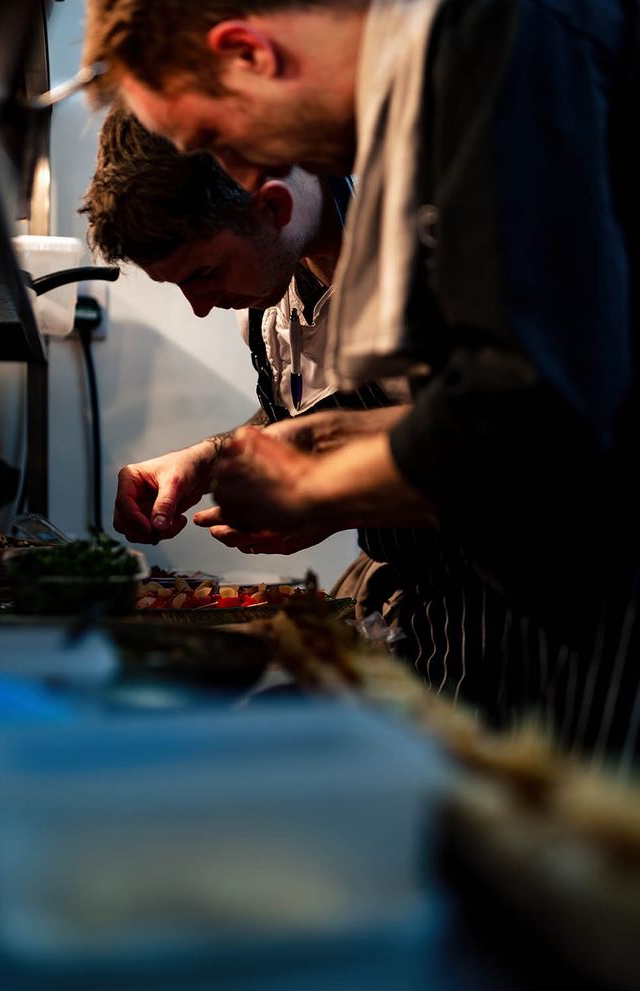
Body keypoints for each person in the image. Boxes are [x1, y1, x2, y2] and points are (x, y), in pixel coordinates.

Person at [81, 1, 640, 765]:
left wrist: (317, 487)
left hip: (591, 598)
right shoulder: (425, 108)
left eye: (216, 140)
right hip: (488, 609)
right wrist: (229, 455)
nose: (252, 178)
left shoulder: (495, 39)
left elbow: (528, 413)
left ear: (250, 51)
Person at [80, 105, 411, 628]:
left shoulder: (426, 252)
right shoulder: (270, 301)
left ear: (274, 206)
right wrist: (207, 460)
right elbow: (306, 418)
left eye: (206, 272)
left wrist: (331, 500)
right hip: (414, 601)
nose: (200, 305)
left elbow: (511, 441)